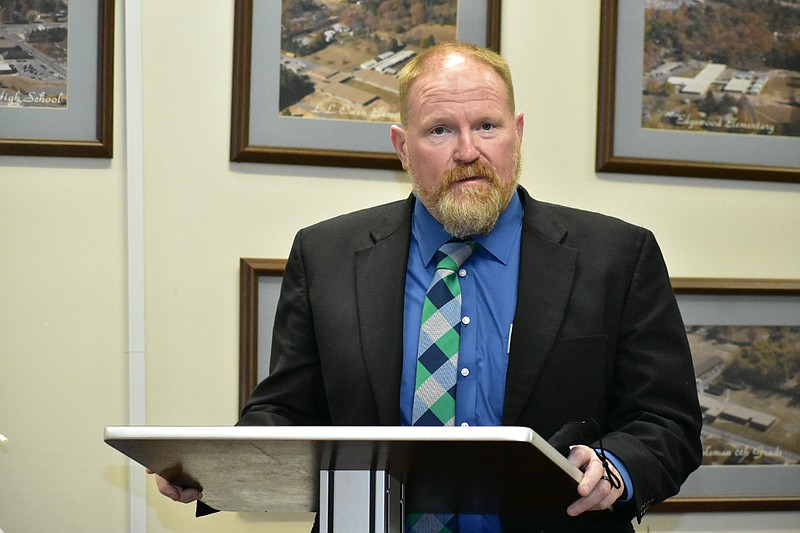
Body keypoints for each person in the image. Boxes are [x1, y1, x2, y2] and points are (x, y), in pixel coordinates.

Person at [152, 42, 702, 532]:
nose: (467, 151)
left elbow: (668, 422)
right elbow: (287, 411)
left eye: (487, 126)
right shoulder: (326, 256)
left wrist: (617, 467)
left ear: (518, 132)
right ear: (401, 146)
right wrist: (214, 469)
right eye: (440, 129)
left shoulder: (616, 256)